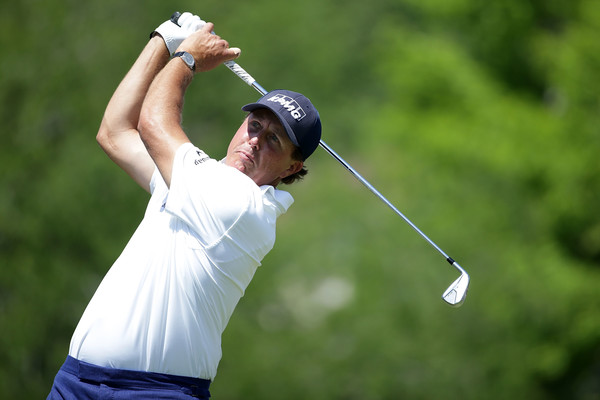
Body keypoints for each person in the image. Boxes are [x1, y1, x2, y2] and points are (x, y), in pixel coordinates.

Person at [47, 12, 321, 400]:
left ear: (292, 167)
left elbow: (152, 123)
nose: (256, 140)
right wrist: (163, 40)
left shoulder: (242, 206)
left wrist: (187, 59)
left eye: (275, 139)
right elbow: (114, 132)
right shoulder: (196, 181)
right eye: (255, 125)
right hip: (76, 382)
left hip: (156, 392)